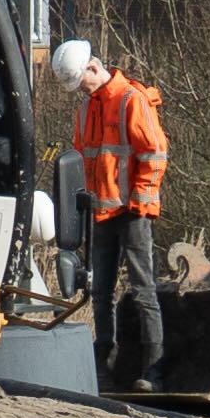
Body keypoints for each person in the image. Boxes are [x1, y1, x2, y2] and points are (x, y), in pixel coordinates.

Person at [59, 34, 170, 391]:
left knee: (143, 289)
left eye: (82, 82)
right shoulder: (86, 107)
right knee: (100, 290)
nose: (80, 90)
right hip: (102, 213)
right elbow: (82, 162)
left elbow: (154, 154)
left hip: (133, 211)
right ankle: (103, 365)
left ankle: (154, 368)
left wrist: (140, 200)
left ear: (94, 67)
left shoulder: (130, 100)